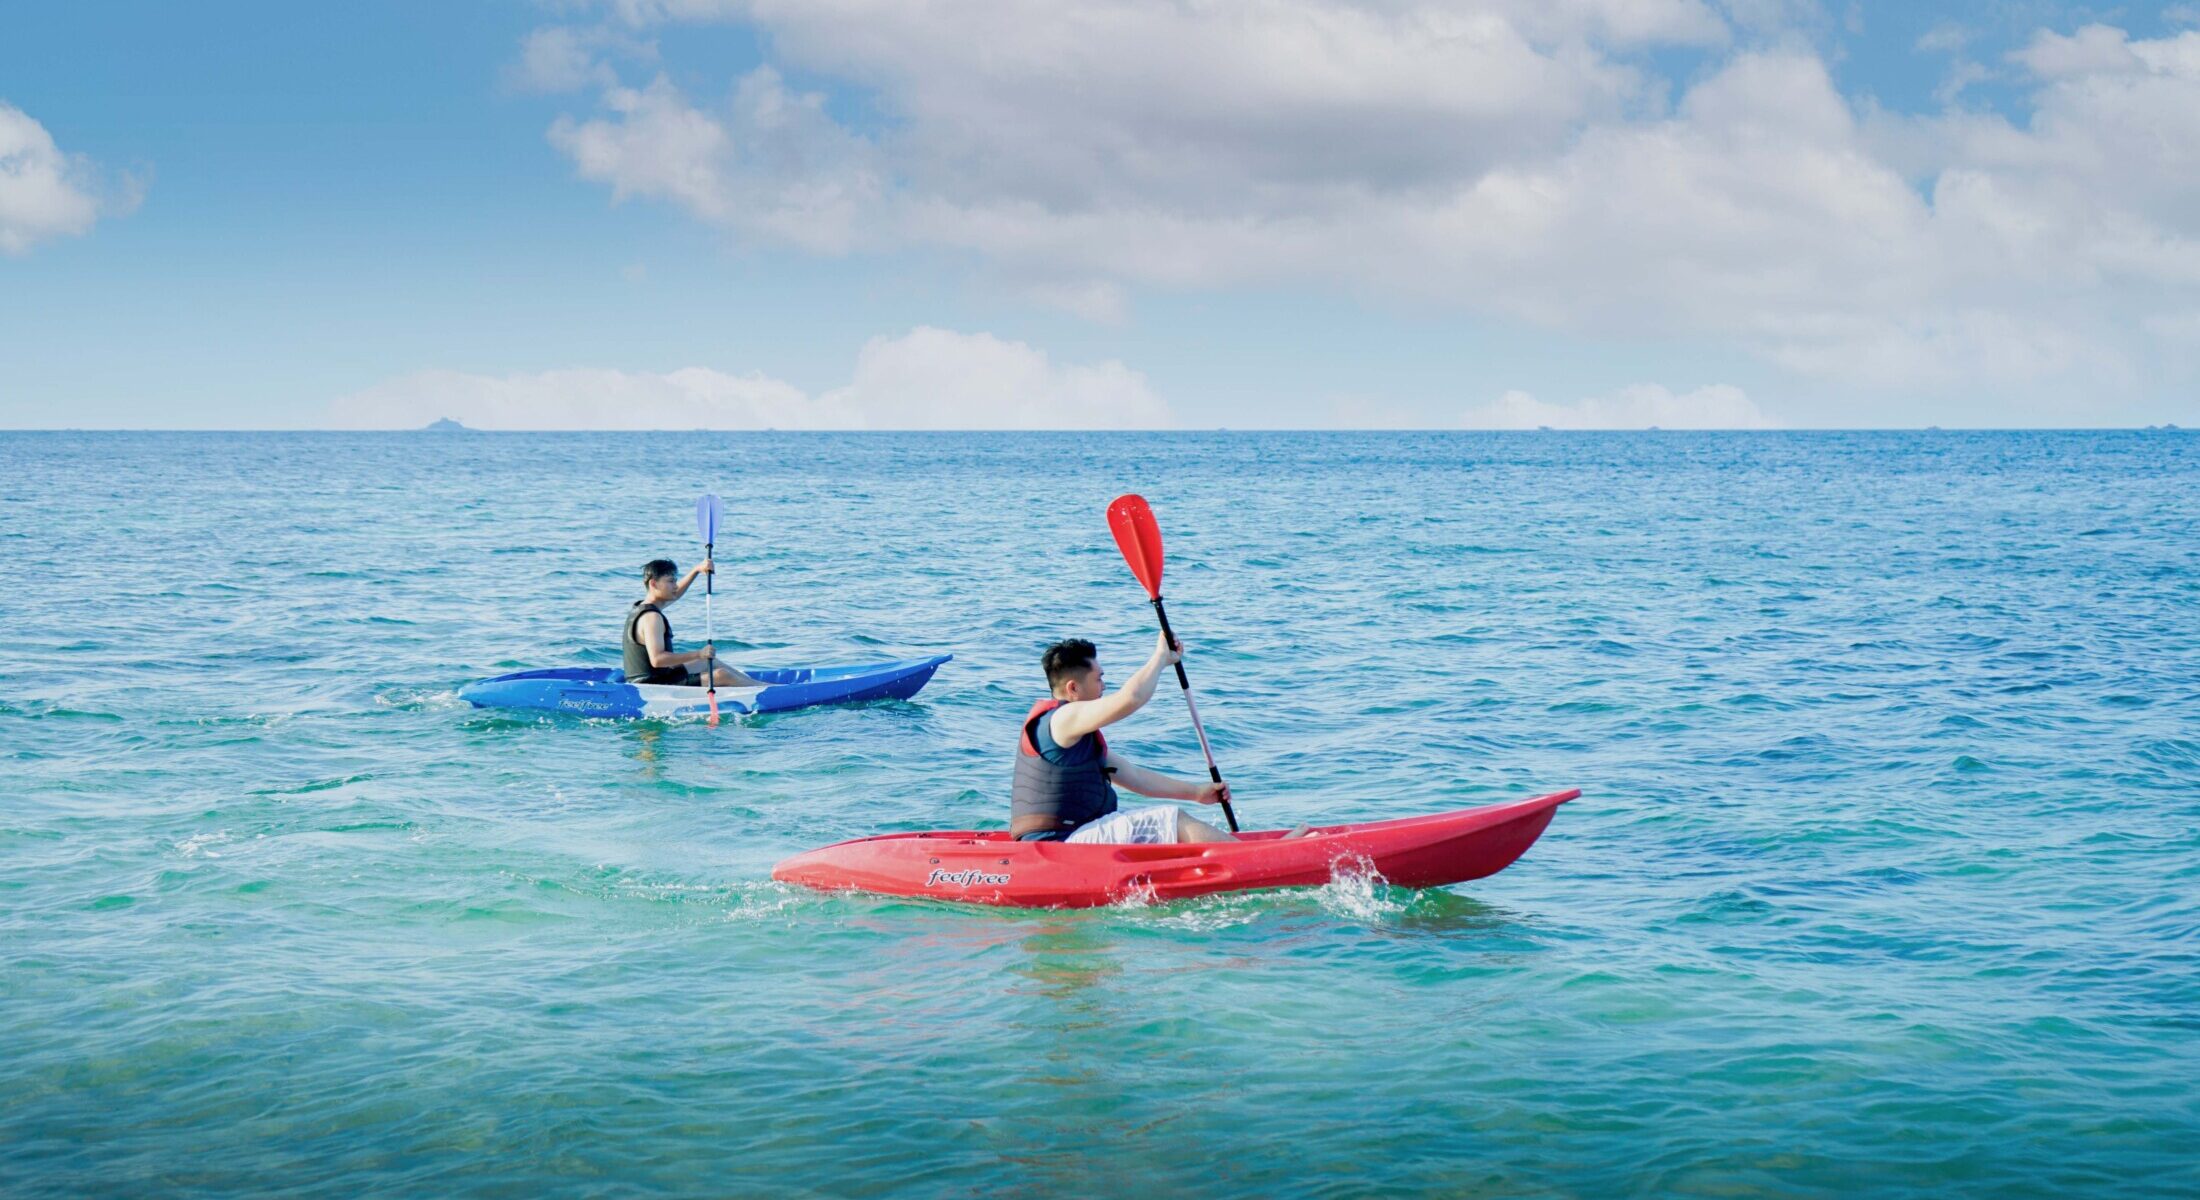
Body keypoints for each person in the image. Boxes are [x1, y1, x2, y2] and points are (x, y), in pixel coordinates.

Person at [1012, 633, 1241, 844]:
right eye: (1098, 679)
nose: (1103, 686)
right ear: (1073, 688)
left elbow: (1136, 777)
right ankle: (1247, 859)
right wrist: (1160, 658)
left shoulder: (1077, 741)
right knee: (1172, 819)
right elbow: (1131, 698)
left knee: (1153, 822)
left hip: (1071, 838)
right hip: (1059, 845)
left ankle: (1235, 850)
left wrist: (1197, 793)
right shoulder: (1062, 719)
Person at [621, 558, 759, 688]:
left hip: (660, 676)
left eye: (675, 581)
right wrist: (699, 653)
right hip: (652, 685)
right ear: (653, 584)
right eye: (671, 581)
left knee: (709, 662)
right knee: (722, 675)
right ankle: (763, 690)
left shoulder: (642, 607)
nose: (675, 586)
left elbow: (675, 594)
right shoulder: (652, 617)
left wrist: (696, 570)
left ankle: (758, 685)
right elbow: (658, 660)